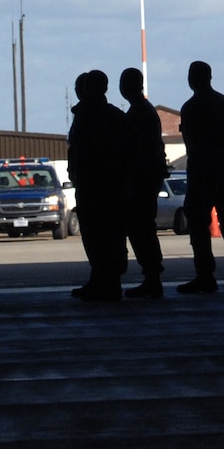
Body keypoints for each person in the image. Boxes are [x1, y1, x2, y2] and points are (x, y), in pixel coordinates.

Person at [175, 61, 224, 294]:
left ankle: (205, 275)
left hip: (203, 174)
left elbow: (193, 145)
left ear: (192, 79)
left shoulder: (191, 108)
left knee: (198, 224)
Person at [66, 70, 128, 301]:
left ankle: (105, 281)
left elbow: (81, 153)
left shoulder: (86, 118)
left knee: (97, 237)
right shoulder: (115, 116)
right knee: (111, 236)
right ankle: (105, 280)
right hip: (112, 186)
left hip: (94, 187)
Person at [116, 68, 167, 298]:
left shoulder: (139, 113)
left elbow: (135, 150)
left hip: (141, 180)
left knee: (141, 228)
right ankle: (151, 275)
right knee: (142, 228)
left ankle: (152, 275)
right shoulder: (143, 111)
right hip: (146, 178)